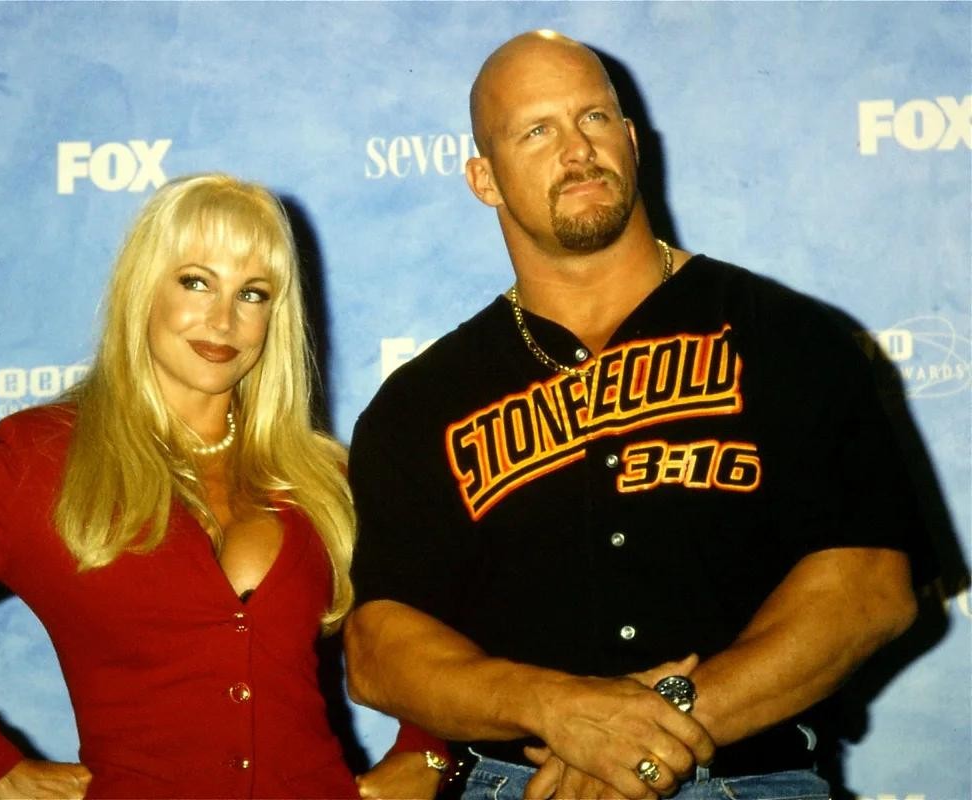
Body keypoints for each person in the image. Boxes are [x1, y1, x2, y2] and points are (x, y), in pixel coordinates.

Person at [343, 31, 923, 800]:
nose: (577, 149)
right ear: (485, 178)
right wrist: (556, 708)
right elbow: (378, 648)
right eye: (537, 130)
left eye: (594, 117)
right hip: (525, 784)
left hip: (747, 777)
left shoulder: (784, 335)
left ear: (633, 140)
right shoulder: (423, 402)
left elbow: (870, 586)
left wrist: (651, 735)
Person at [0, 173, 447, 800]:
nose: (223, 318)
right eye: (196, 282)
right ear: (144, 290)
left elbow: (437, 617)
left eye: (252, 294)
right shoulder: (42, 460)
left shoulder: (320, 475)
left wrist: (427, 750)